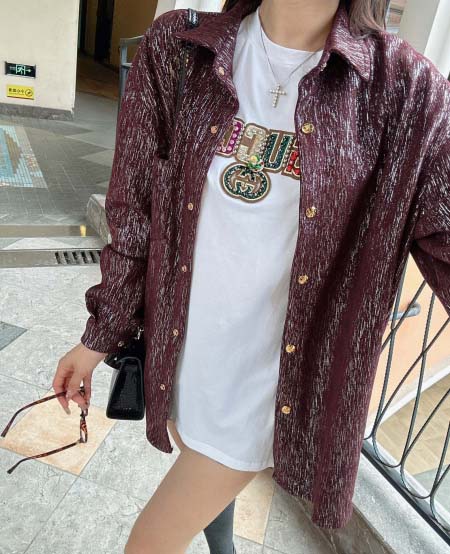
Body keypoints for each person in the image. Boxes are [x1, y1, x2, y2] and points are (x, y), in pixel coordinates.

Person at [51, 0, 450, 553]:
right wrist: (101, 333)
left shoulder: (404, 91)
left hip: (266, 388)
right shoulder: (182, 50)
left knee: (148, 544)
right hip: (184, 355)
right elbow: (135, 211)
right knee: (199, 463)